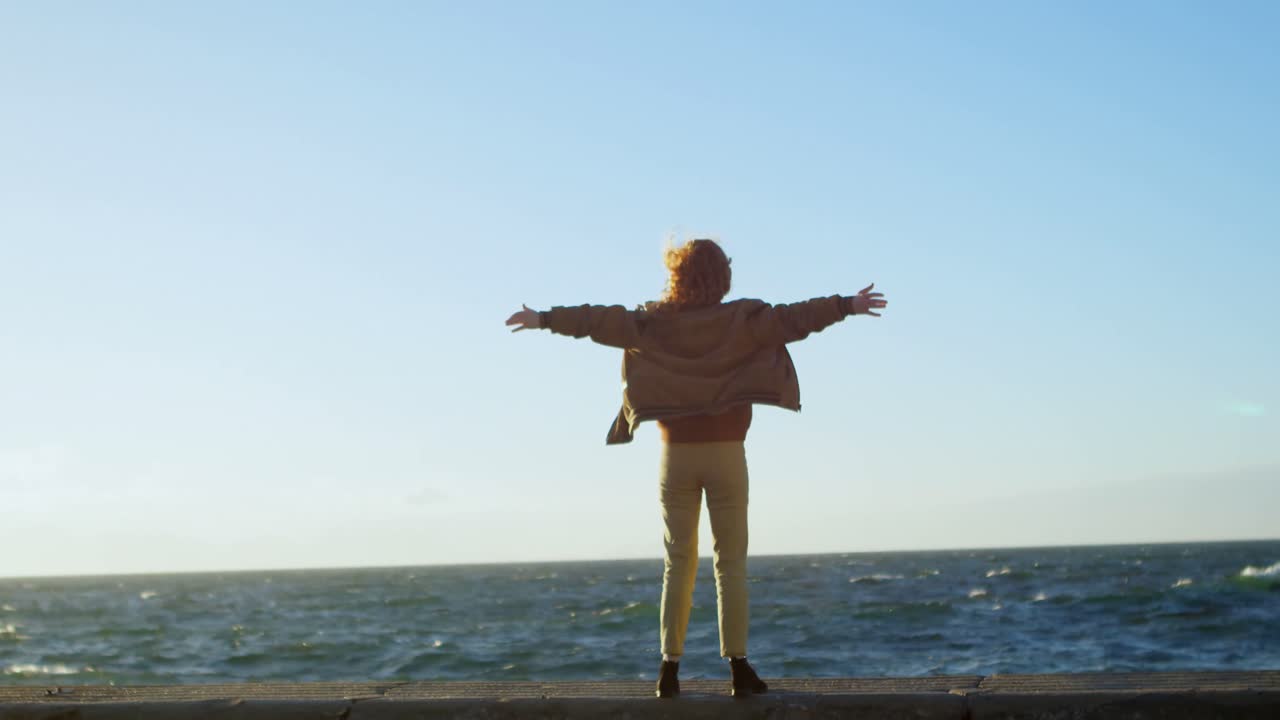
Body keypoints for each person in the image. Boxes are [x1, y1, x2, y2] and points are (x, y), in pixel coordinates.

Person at [505, 238, 887, 698]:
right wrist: (848, 304)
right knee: (731, 564)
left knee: (678, 563)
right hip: (728, 454)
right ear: (722, 278)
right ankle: (739, 669)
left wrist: (543, 318)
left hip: (676, 458)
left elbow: (596, 321)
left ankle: (669, 671)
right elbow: (797, 317)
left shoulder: (651, 323)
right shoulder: (744, 321)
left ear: (676, 276)